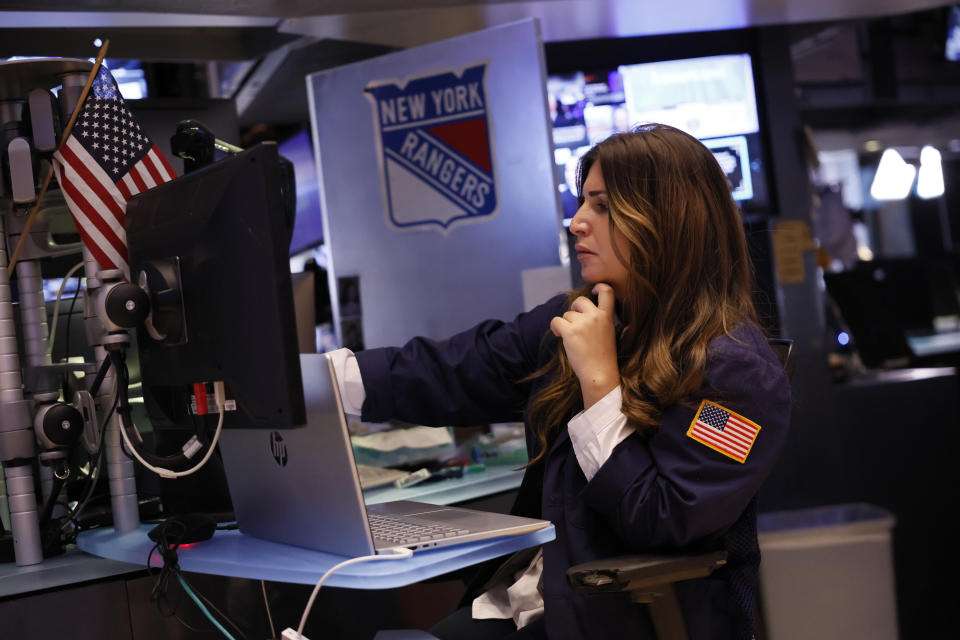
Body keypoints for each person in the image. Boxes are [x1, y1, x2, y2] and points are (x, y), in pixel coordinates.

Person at [329, 123, 791, 639]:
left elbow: (662, 518)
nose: (576, 223)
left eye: (602, 206)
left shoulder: (738, 371)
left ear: (667, 222)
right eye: (581, 203)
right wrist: (317, 383)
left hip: (616, 620)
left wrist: (599, 382)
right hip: (531, 605)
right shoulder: (583, 317)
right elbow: (457, 369)